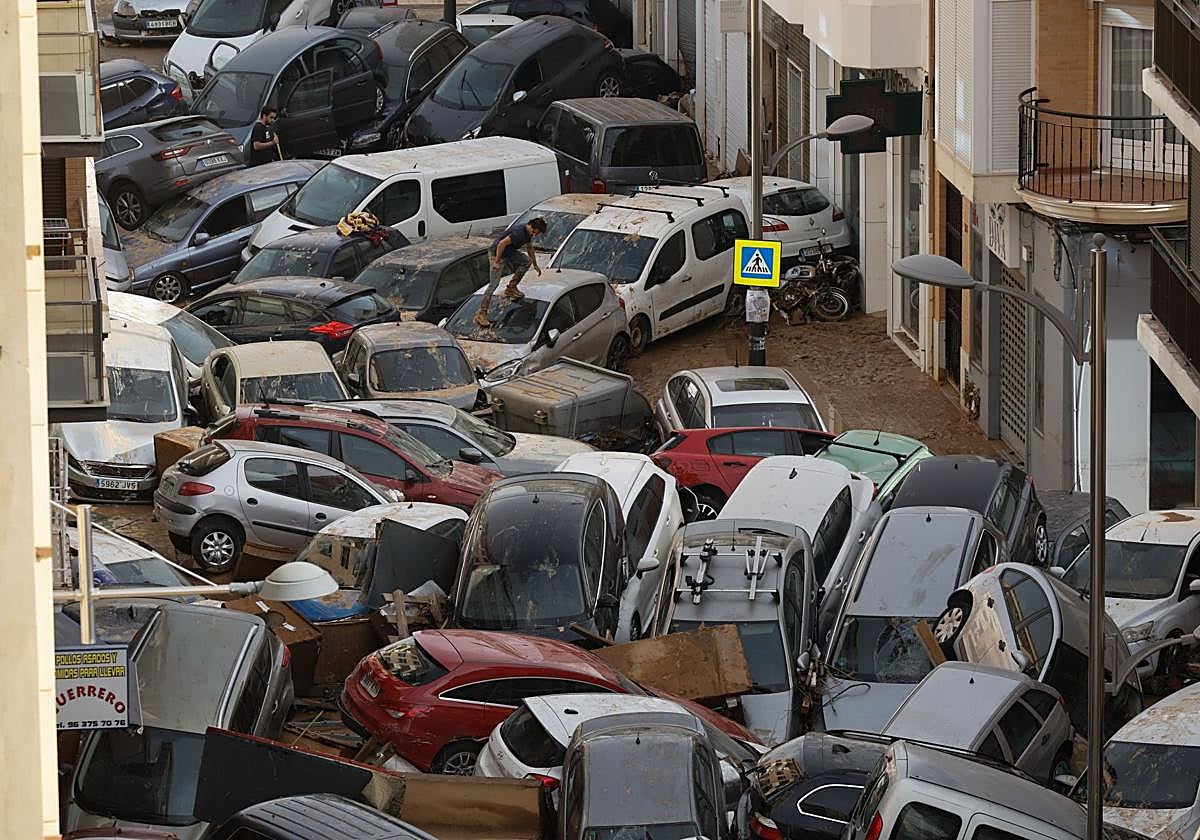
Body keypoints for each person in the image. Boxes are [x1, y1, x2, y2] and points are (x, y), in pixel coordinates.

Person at [474, 217, 548, 328]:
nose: (534, 235)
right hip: (497, 253)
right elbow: (501, 244)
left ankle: (511, 288)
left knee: (526, 261)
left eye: (536, 234)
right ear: (532, 227)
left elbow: (530, 248)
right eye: (534, 232)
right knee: (494, 284)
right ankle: (481, 313)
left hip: (508, 252)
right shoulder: (519, 232)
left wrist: (535, 264)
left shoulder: (528, 233)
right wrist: (496, 262)